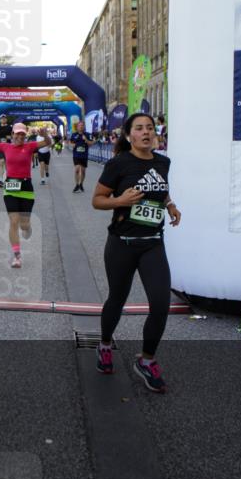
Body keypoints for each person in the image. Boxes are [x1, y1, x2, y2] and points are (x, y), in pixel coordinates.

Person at [91, 112, 181, 392]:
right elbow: (97, 200)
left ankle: (146, 359)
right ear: (129, 135)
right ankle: (105, 344)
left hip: (153, 242)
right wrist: (120, 200)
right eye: (139, 128)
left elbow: (160, 189)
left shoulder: (163, 162)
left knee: (160, 304)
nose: (146, 132)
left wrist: (170, 205)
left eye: (150, 128)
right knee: (117, 299)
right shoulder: (119, 163)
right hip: (122, 243)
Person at [0, 118, 51, 269]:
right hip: (10, 186)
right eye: (17, 134)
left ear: (26, 135)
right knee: (13, 221)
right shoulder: (5, 147)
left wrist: (45, 135)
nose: (20, 137)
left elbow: (47, 143)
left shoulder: (29, 146)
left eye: (22, 134)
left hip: (26, 187)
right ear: (12, 134)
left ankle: (27, 227)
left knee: (24, 225)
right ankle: (17, 256)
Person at [69, 121, 94, 192]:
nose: (81, 127)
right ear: (77, 127)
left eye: (82, 125)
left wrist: (86, 140)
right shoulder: (74, 135)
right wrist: (72, 144)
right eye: (79, 125)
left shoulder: (88, 134)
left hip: (84, 155)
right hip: (76, 155)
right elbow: (70, 142)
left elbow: (91, 143)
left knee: (83, 171)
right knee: (77, 169)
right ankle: (77, 184)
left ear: (84, 127)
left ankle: (81, 184)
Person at [0, 115, 13, 187]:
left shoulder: (10, 127)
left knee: (7, 164)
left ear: (6, 119)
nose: (3, 119)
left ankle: (8, 178)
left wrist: (10, 137)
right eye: (1, 118)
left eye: (4, 118)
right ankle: (0, 180)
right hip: (0, 146)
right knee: (1, 162)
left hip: (8, 146)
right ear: (0, 120)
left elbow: (13, 135)